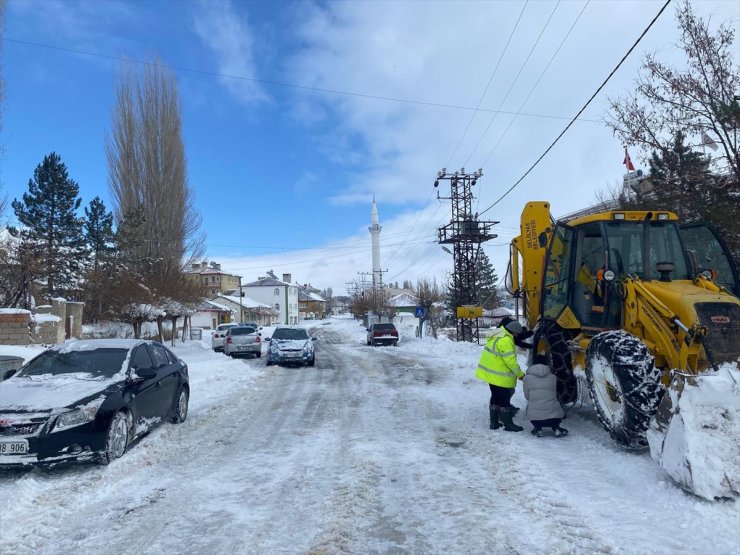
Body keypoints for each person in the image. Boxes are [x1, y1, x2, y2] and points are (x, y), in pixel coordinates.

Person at [475, 319, 525, 432]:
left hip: (491, 374)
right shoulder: (506, 340)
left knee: (495, 397)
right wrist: (520, 374)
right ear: (513, 331)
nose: (516, 335)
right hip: (499, 375)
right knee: (504, 399)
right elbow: (510, 361)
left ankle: (494, 423)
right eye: (516, 333)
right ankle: (508, 425)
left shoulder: (497, 335)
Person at [522, 363, 568, 437]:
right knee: (554, 409)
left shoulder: (527, 378)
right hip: (553, 415)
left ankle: (538, 429)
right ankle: (556, 428)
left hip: (536, 416)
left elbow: (527, 396)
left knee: (533, 409)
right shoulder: (553, 377)